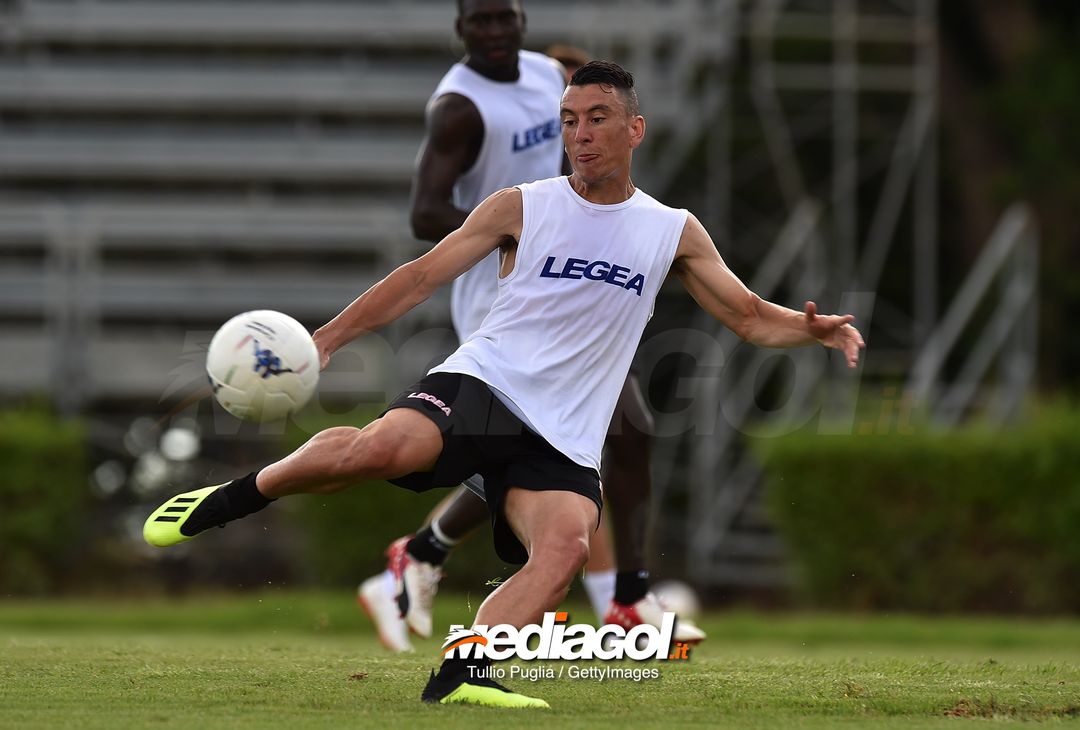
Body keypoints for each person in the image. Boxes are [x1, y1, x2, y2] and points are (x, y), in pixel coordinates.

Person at [144, 61, 864, 709]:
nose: (580, 135)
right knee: (378, 453)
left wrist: (815, 329)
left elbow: (747, 316)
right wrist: (328, 338)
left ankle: (465, 674)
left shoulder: (670, 230)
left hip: (564, 433)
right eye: (569, 122)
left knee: (566, 553)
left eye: (598, 119)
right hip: (484, 384)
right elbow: (421, 277)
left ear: (635, 128)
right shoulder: (524, 205)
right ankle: (228, 498)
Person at [354, 0, 700, 654]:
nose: (493, 30)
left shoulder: (547, 76)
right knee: (595, 436)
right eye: (478, 19)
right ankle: (622, 602)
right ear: (459, 26)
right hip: (505, 293)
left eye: (504, 16)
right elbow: (426, 213)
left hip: (564, 286)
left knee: (585, 440)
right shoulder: (458, 106)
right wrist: (519, 226)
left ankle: (427, 554)